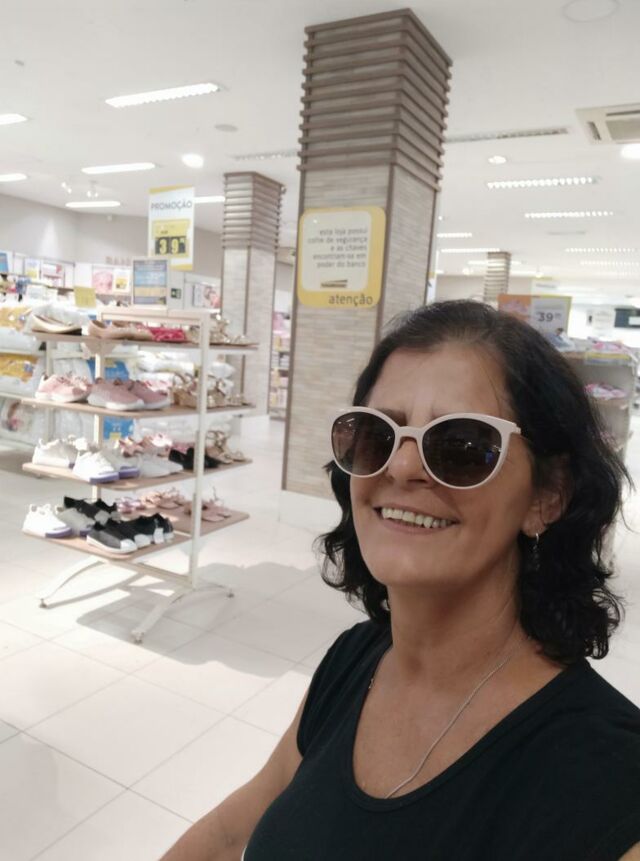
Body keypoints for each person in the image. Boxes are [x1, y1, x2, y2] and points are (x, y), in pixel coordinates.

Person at [161, 301, 640, 861]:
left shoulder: (608, 779)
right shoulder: (354, 663)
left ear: (547, 495)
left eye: (461, 447)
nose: (403, 468)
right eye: (376, 435)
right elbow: (228, 834)